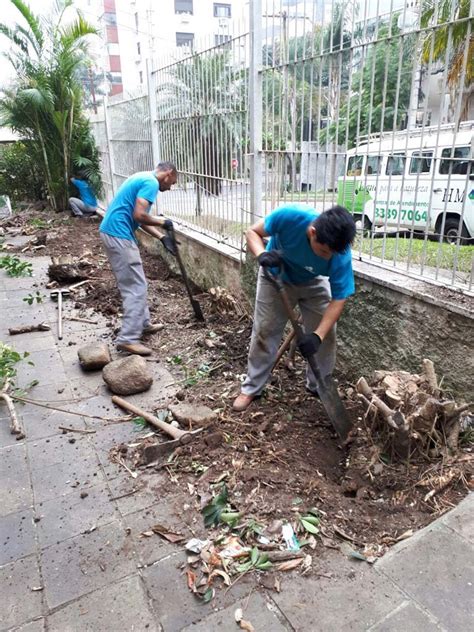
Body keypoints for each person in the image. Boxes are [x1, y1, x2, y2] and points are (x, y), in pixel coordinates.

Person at [233, 204, 356, 412]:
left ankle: (319, 386)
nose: (327, 257)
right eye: (324, 251)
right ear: (312, 232)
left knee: (327, 337)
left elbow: (339, 298)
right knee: (264, 331)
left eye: (331, 254)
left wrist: (317, 335)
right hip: (275, 274)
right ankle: (252, 387)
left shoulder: (339, 254)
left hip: (313, 281)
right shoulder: (290, 216)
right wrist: (261, 254)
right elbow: (252, 231)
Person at [99, 162, 178, 356]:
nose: (170, 188)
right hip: (119, 234)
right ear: (168, 174)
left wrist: (162, 237)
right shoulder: (151, 183)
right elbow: (140, 215)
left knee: (138, 282)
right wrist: (163, 222)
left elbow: (138, 220)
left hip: (113, 231)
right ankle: (128, 339)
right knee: (135, 287)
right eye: (172, 183)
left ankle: (143, 323)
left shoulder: (142, 176)